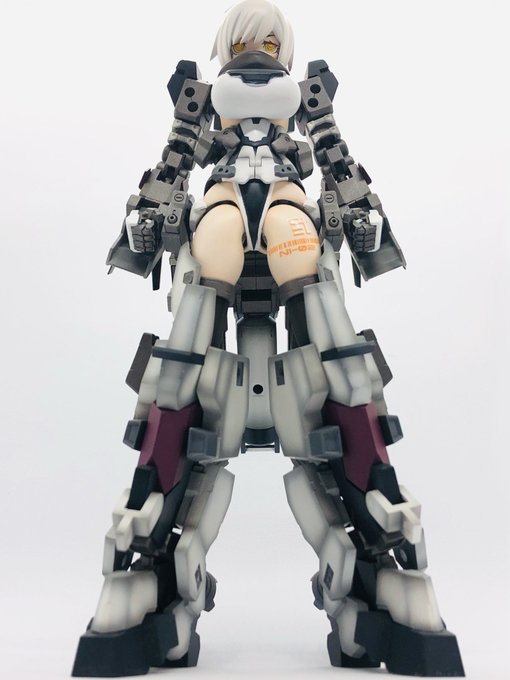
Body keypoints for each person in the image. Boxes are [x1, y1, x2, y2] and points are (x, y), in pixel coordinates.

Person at [72, 1, 464, 676]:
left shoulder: (305, 101)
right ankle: (145, 552)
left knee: (333, 337)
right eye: (247, 42)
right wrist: (148, 217)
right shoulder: (203, 101)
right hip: (224, 207)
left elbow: (337, 159)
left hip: (285, 205)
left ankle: (380, 548)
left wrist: (361, 212)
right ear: (227, 49)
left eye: (271, 43)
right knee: (186, 349)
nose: (259, 52)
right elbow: (173, 161)